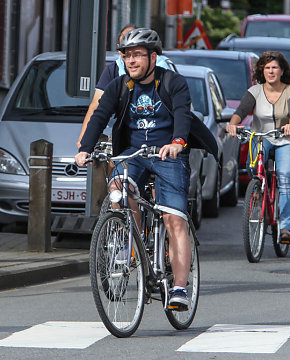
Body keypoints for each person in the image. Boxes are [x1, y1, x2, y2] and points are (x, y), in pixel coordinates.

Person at [75, 28, 217, 310]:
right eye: (127, 55)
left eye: (137, 55)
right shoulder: (119, 86)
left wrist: (177, 142)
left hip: (168, 155)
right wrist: (85, 148)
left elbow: (182, 114)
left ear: (153, 57)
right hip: (134, 153)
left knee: (174, 219)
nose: (131, 61)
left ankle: (179, 289)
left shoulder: (173, 83)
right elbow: (100, 115)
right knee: (117, 189)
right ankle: (133, 245)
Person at [226, 51, 290, 244]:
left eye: (275, 67)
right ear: (262, 70)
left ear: (282, 70)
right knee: (254, 170)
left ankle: (285, 227)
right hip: (262, 136)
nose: (271, 71)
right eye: (267, 67)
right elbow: (241, 111)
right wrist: (232, 124)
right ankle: (261, 193)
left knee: (285, 177)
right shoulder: (255, 91)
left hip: (287, 138)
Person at [76, 24, 172, 148]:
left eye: (135, 52)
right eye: (124, 50)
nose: (129, 57)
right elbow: (97, 107)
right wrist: (84, 141)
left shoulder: (161, 69)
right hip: (125, 134)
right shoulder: (114, 72)